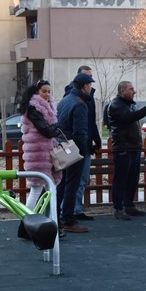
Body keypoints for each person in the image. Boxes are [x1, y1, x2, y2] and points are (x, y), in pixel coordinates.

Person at [105, 81, 146, 220]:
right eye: (131, 89)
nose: (134, 91)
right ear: (122, 91)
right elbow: (129, 118)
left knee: (132, 179)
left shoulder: (130, 104)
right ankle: (118, 208)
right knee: (121, 178)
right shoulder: (116, 105)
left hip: (133, 147)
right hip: (123, 147)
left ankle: (129, 205)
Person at [55, 71, 95, 233]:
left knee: (62, 183)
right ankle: (69, 219)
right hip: (74, 148)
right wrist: (83, 151)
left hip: (62, 145)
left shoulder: (65, 100)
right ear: (85, 86)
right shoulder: (80, 104)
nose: (90, 89)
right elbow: (80, 132)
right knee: (72, 184)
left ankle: (56, 217)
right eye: (90, 86)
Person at [64, 65, 101, 221]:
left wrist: (96, 138)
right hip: (77, 146)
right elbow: (80, 127)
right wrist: (84, 145)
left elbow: (90, 120)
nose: (89, 81)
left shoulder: (85, 98)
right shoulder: (76, 99)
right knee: (74, 180)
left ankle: (74, 210)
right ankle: (70, 212)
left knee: (78, 180)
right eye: (87, 78)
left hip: (79, 144)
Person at [18, 79, 61, 209]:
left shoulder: (47, 107)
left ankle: (50, 220)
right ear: (37, 92)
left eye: (49, 91)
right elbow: (45, 130)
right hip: (38, 155)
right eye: (44, 91)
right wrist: (59, 128)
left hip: (44, 154)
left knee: (50, 189)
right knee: (37, 189)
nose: (47, 94)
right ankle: (27, 220)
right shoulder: (33, 108)